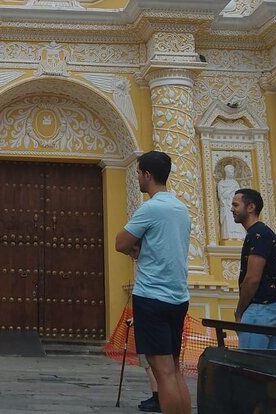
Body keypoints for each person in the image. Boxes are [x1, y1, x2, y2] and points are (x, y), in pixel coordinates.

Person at [114, 151, 191, 414]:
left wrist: (133, 248)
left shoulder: (151, 207)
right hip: (178, 297)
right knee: (175, 370)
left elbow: (120, 243)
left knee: (163, 373)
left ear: (147, 175)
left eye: (137, 172)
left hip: (152, 297)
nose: (136, 177)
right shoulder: (181, 209)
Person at [231, 188, 276, 349]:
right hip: (271, 308)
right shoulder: (264, 232)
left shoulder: (257, 235)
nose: (231, 209)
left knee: (250, 367)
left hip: (259, 309)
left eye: (235, 205)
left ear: (251, 207)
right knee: (268, 367)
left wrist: (239, 311)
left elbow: (252, 279)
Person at [217, 164, 245, 240]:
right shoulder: (221, 183)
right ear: (226, 172)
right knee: (228, 220)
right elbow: (221, 195)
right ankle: (228, 236)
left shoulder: (235, 183)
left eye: (233, 171)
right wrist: (229, 192)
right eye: (230, 171)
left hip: (234, 204)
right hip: (226, 205)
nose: (232, 173)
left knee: (236, 220)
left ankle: (239, 236)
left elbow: (239, 195)